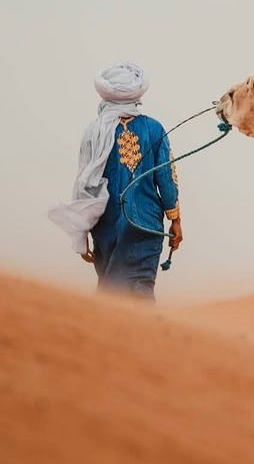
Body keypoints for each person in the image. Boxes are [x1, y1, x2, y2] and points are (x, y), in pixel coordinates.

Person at [48, 61, 182, 296]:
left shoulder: (94, 132)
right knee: (140, 291)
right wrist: (176, 219)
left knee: (111, 292)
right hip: (146, 225)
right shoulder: (154, 128)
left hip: (105, 228)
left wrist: (82, 234)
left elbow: (83, 186)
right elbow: (167, 179)